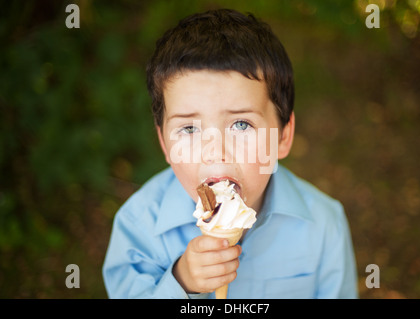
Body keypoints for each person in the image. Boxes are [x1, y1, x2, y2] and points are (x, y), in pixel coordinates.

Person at [102, 8, 358, 299]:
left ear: (283, 136)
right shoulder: (138, 226)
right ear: (164, 145)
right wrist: (180, 283)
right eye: (188, 128)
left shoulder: (324, 226)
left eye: (240, 124)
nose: (215, 151)